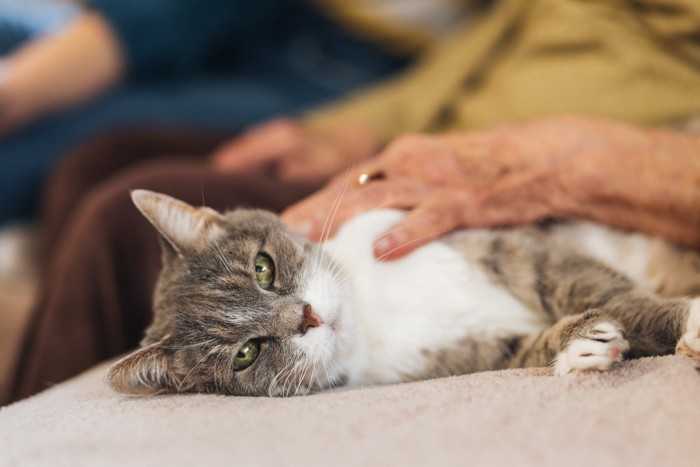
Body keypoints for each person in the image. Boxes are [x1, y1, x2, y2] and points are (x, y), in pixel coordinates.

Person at [8, 0, 700, 403]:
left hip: (542, 160)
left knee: (112, 226)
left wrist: (560, 162)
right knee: (95, 162)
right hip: (434, 142)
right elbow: (469, 62)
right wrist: (344, 130)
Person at [1, 0, 466, 222]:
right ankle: (21, 82)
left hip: (354, 65)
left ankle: (19, 89)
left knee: (66, 140)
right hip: (260, 19)